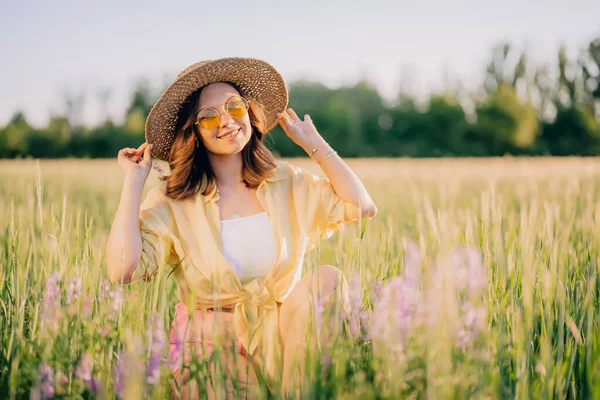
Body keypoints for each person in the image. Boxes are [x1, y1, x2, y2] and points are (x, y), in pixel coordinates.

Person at [105, 57, 378, 399]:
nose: (227, 121)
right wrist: (133, 183)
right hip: (209, 343)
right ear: (194, 131)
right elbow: (121, 269)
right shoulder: (173, 200)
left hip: (278, 333)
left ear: (248, 112)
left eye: (235, 106)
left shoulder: (283, 182)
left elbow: (361, 206)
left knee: (328, 278)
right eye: (208, 116)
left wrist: (316, 146)